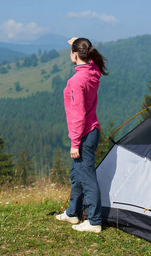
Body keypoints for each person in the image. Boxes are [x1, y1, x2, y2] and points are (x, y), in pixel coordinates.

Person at [55, 37, 108, 233]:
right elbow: (91, 60)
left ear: (75, 55)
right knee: (77, 174)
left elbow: (77, 116)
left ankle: (94, 221)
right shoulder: (93, 72)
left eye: (72, 51)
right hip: (92, 130)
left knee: (86, 177)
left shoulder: (76, 81)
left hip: (84, 134)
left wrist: (75, 143)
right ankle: (72, 213)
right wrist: (77, 42)